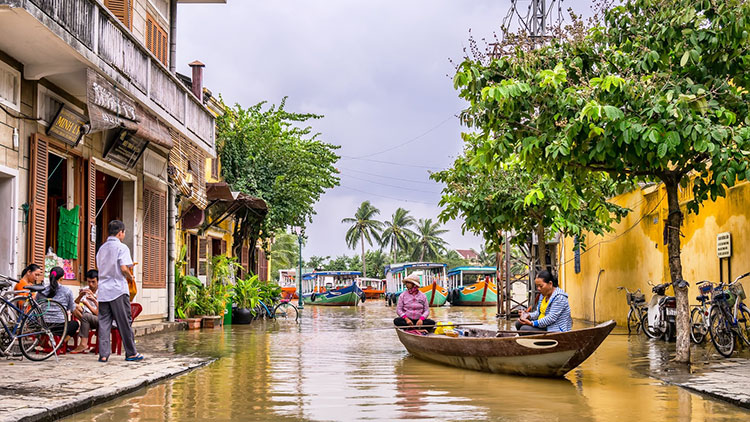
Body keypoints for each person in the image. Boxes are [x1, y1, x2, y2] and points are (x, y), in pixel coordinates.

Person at [96, 220, 143, 362]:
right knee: (124, 322)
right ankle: (131, 353)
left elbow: (99, 268)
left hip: (103, 290)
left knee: (104, 323)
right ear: (120, 232)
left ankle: (103, 355)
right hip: (118, 289)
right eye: (124, 232)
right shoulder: (122, 248)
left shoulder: (102, 249)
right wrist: (130, 276)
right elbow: (124, 268)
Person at [34, 266, 80, 339]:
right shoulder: (67, 291)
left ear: (49, 276)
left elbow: (36, 305)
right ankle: (62, 343)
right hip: (60, 327)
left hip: (43, 325)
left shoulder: (41, 291)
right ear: (61, 278)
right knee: (75, 324)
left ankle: (45, 342)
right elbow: (71, 308)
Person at [70, 270, 99, 354]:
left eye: (93, 282)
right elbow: (75, 303)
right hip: (88, 316)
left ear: (98, 281)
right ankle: (86, 324)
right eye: (89, 282)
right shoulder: (86, 289)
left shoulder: (102, 291)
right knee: (74, 307)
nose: (90, 284)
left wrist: (93, 299)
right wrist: (80, 296)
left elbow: (98, 313)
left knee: (86, 316)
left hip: (99, 317)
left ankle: (83, 344)